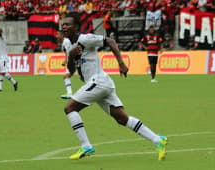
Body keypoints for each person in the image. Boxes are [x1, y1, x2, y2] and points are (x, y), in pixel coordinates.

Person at [62, 14, 167, 161]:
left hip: (98, 81)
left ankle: (86, 145)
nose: (64, 26)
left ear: (76, 27)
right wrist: (72, 56)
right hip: (100, 84)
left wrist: (121, 63)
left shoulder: (85, 39)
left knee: (70, 108)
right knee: (122, 118)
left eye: (68, 24)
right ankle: (158, 139)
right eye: (63, 24)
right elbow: (71, 69)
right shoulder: (67, 44)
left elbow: (109, 41)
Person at [56, 30, 73, 99]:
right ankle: (69, 93)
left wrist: (70, 61)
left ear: (62, 35)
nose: (56, 36)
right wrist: (65, 61)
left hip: (73, 61)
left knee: (66, 76)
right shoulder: (64, 42)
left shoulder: (66, 41)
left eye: (58, 34)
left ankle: (70, 93)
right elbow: (67, 53)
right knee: (66, 76)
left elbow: (71, 51)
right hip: (70, 61)